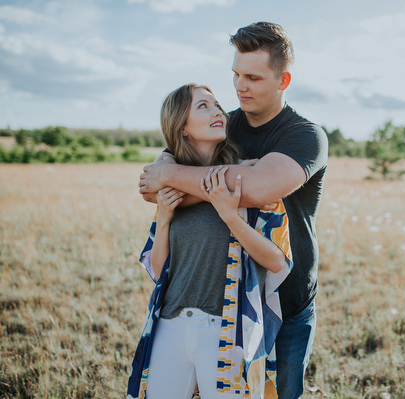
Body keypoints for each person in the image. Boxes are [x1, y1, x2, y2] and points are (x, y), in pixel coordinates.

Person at [138, 22, 328, 398]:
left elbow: (255, 190)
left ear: (283, 80)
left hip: (288, 299)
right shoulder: (225, 126)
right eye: (236, 75)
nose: (240, 87)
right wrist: (225, 177)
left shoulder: (306, 136)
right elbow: (152, 188)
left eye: (253, 78)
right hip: (230, 299)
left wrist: (172, 174)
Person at [128, 83, 293, 399]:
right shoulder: (172, 187)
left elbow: (278, 261)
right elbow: (159, 270)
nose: (218, 111)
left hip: (225, 328)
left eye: (217, 105)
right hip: (171, 324)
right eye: (203, 106)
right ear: (183, 127)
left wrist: (230, 215)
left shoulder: (249, 180)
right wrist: (163, 218)